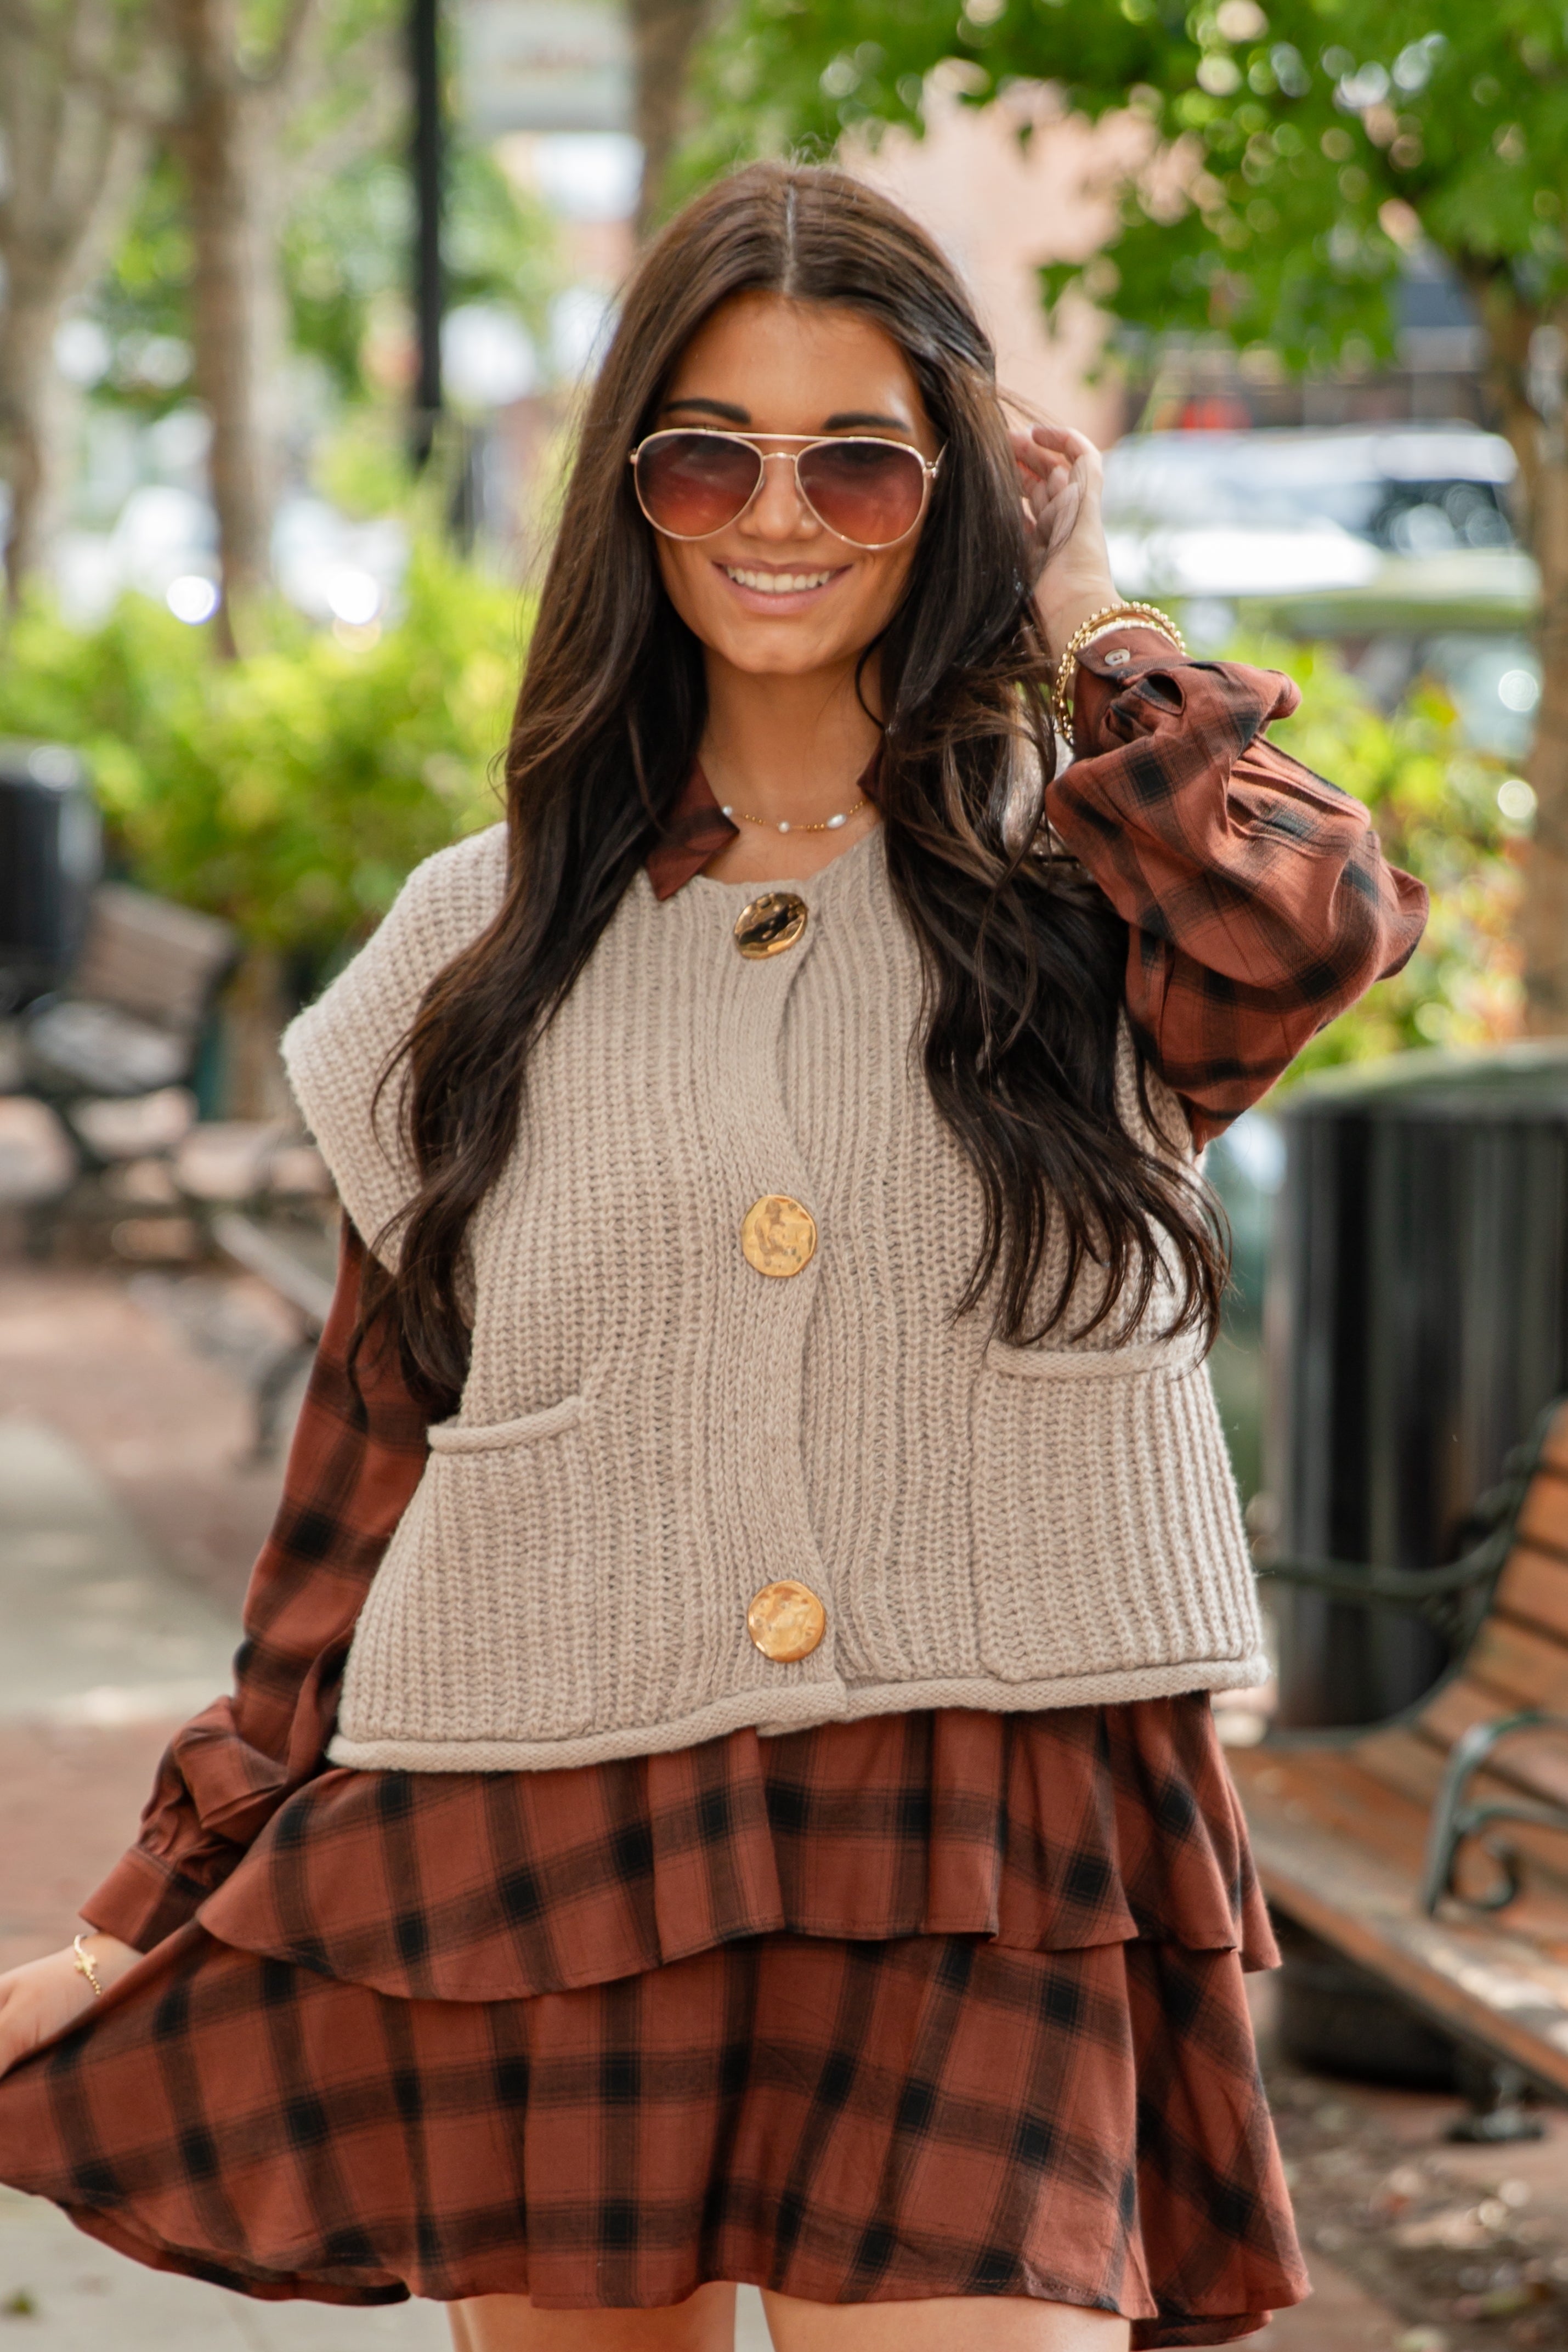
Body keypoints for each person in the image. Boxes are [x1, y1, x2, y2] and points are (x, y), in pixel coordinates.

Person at [0, 161, 1426, 2349]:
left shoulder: (1091, 899)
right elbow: (368, 1468)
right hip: (539, 1825)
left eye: (859, 460)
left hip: (980, 1834)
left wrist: (1090, 618)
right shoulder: (472, 945)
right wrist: (146, 1903)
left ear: (948, 497)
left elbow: (1309, 922)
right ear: (630, 494)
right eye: (708, 455)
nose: (780, 515)